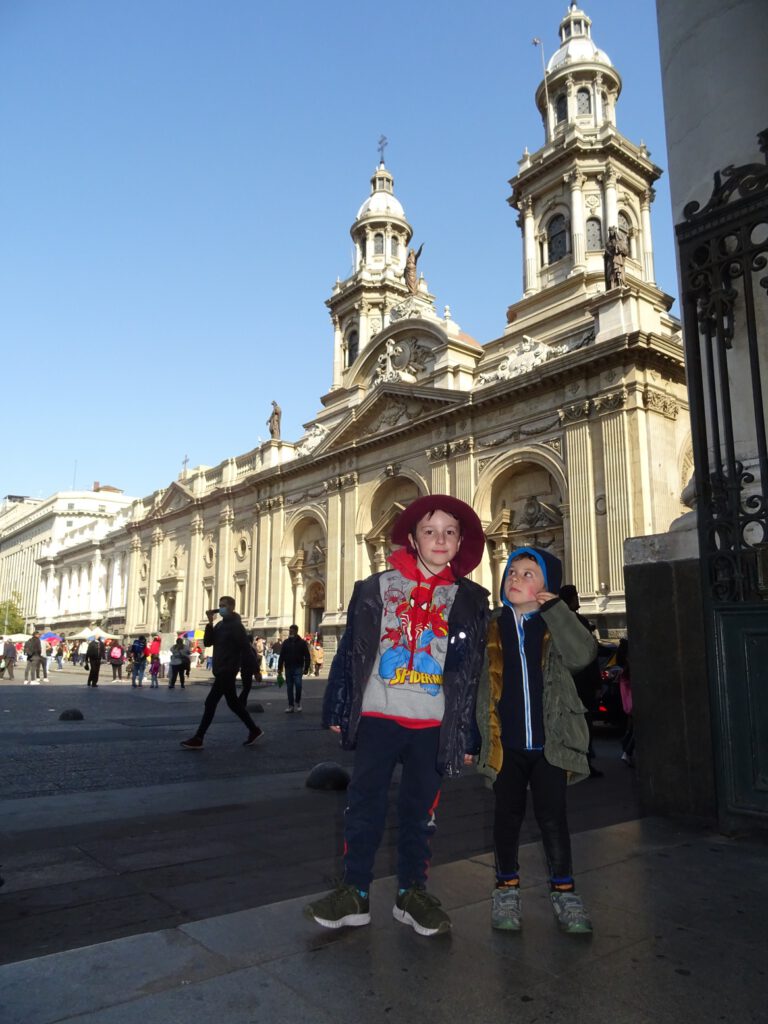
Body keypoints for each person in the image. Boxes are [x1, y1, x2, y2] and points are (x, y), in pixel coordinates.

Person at [305, 494, 489, 937]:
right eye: (430, 530)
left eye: (450, 531)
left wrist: (469, 734)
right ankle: (355, 893)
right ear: (413, 537)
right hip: (379, 714)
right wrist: (338, 701)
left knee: (420, 812)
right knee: (362, 806)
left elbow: (472, 673)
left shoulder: (471, 599)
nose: (440, 539)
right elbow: (352, 649)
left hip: (434, 721)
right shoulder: (376, 588)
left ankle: (411, 893)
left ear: (461, 540)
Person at [474, 547, 595, 935]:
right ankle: (506, 888)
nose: (515, 578)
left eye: (528, 574)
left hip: (550, 744)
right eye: (512, 572)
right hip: (505, 744)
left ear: (547, 587)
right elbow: (474, 687)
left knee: (553, 819)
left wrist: (557, 611)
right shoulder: (491, 626)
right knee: (505, 818)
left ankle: (565, 893)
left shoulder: (555, 626)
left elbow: (582, 656)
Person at [180, 596, 264, 749]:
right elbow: (208, 642)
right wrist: (210, 622)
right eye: (220, 605)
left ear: (232, 607)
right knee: (233, 704)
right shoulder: (219, 625)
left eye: (224, 605)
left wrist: (256, 670)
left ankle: (199, 738)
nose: (221, 608)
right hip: (220, 669)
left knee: (210, 702)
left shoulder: (236, 626)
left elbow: (246, 649)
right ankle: (254, 730)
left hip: (228, 668)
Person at [558, 584, 603, 778]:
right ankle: (582, 764)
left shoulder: (557, 623)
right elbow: (590, 657)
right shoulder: (577, 623)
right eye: (576, 596)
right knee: (583, 726)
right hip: (581, 685)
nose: (578, 599)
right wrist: (597, 684)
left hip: (568, 684)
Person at [278, 625, 311, 713]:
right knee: (289, 687)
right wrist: (279, 668)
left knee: (298, 685)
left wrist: (306, 668)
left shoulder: (302, 643)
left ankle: (298, 702)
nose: (290, 632)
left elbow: (307, 656)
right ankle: (291, 705)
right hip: (288, 667)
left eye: (292, 631)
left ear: (296, 631)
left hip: (298, 667)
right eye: (290, 631)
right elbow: (282, 656)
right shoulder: (286, 642)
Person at [239, 636, 262, 707]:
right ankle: (240, 702)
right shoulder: (249, 649)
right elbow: (253, 661)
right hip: (248, 670)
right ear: (251, 641)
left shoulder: (243, 648)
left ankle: (242, 703)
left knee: (246, 687)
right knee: (247, 688)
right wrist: (257, 671)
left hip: (244, 669)